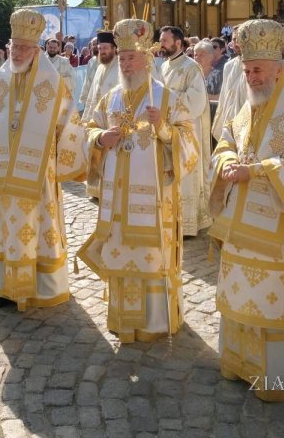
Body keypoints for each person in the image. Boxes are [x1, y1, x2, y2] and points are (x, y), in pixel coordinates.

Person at [209, 19, 284, 398]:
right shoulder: (249, 108)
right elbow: (226, 139)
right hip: (240, 224)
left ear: (279, 69)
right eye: (247, 71)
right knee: (242, 293)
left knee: (273, 297)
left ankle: (282, 377)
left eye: (258, 70)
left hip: (282, 231)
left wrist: (258, 171)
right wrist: (227, 161)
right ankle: (241, 364)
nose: (252, 77)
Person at [80, 17, 197, 340]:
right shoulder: (111, 97)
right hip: (117, 200)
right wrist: (100, 138)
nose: (125, 63)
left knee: (150, 256)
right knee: (120, 251)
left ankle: (155, 322)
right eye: (122, 58)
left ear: (146, 60)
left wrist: (164, 128)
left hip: (154, 201)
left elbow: (190, 142)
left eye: (131, 57)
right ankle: (123, 319)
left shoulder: (166, 98)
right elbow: (89, 128)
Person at [0, 9, 88, 310]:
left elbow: (69, 125)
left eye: (24, 48)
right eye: (15, 46)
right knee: (1, 226)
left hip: (37, 174)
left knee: (35, 227)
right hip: (1, 174)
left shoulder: (52, 83)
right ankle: (2, 287)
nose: (18, 53)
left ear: (36, 51)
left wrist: (60, 155)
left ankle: (38, 287)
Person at [157, 25, 211, 237]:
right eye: (161, 40)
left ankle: (188, 224)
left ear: (178, 43)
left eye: (165, 40)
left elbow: (196, 102)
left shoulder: (191, 68)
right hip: (166, 130)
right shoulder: (164, 66)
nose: (161, 44)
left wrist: (167, 99)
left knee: (186, 175)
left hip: (186, 132)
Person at [78, 31, 120, 198]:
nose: (102, 51)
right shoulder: (99, 66)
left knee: (110, 156)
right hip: (97, 118)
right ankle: (96, 189)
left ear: (114, 48)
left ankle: (109, 190)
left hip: (112, 118)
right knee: (95, 151)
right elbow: (92, 93)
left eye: (105, 48)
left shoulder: (120, 66)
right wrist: (87, 116)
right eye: (100, 48)